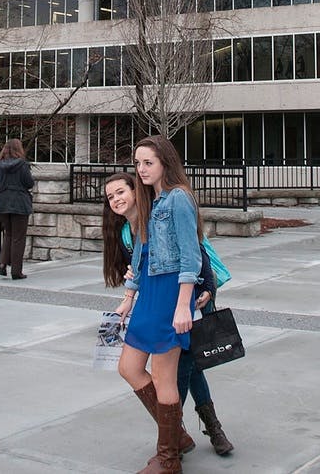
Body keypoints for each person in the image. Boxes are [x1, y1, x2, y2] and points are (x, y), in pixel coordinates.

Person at [103, 172, 235, 458]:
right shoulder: (127, 231)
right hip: (164, 301)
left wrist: (209, 289)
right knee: (184, 368)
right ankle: (182, 434)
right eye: (110, 196)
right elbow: (143, 268)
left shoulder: (160, 213)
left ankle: (187, 436)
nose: (116, 200)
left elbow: (196, 251)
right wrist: (129, 294)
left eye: (120, 192)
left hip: (193, 299)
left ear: (135, 191)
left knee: (183, 369)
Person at [111, 137, 203, 474]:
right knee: (129, 367)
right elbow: (141, 253)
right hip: (149, 292)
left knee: (165, 378)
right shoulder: (153, 201)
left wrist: (183, 306)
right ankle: (177, 437)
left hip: (170, 294)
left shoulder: (179, 198)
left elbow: (190, 256)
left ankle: (168, 460)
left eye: (148, 162)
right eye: (137, 163)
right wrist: (127, 299)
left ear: (165, 161)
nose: (141, 169)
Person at [0, 138, 35, 279]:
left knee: (8, 234)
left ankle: (2, 264)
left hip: (3, 203)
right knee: (18, 238)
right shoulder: (22, 165)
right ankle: (16, 271)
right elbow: (29, 183)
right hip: (19, 204)